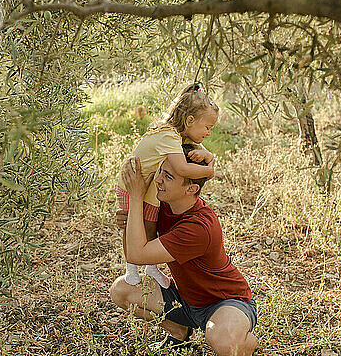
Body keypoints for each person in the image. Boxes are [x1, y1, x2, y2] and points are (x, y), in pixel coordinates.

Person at [110, 145, 258, 356]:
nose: (159, 179)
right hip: (185, 300)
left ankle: (246, 341)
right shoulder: (162, 206)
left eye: (168, 176)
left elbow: (137, 255)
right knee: (122, 290)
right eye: (161, 170)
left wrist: (135, 199)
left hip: (225, 302)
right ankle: (180, 334)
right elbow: (131, 252)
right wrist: (130, 221)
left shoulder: (198, 227)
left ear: (191, 189)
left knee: (224, 343)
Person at [116, 83, 218, 289]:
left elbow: (205, 154)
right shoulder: (168, 135)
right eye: (207, 127)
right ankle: (131, 267)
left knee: (150, 224)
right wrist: (209, 172)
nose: (208, 132)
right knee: (131, 223)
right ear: (190, 121)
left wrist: (208, 156)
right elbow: (182, 169)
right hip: (132, 182)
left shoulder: (181, 136)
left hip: (152, 186)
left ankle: (151, 267)